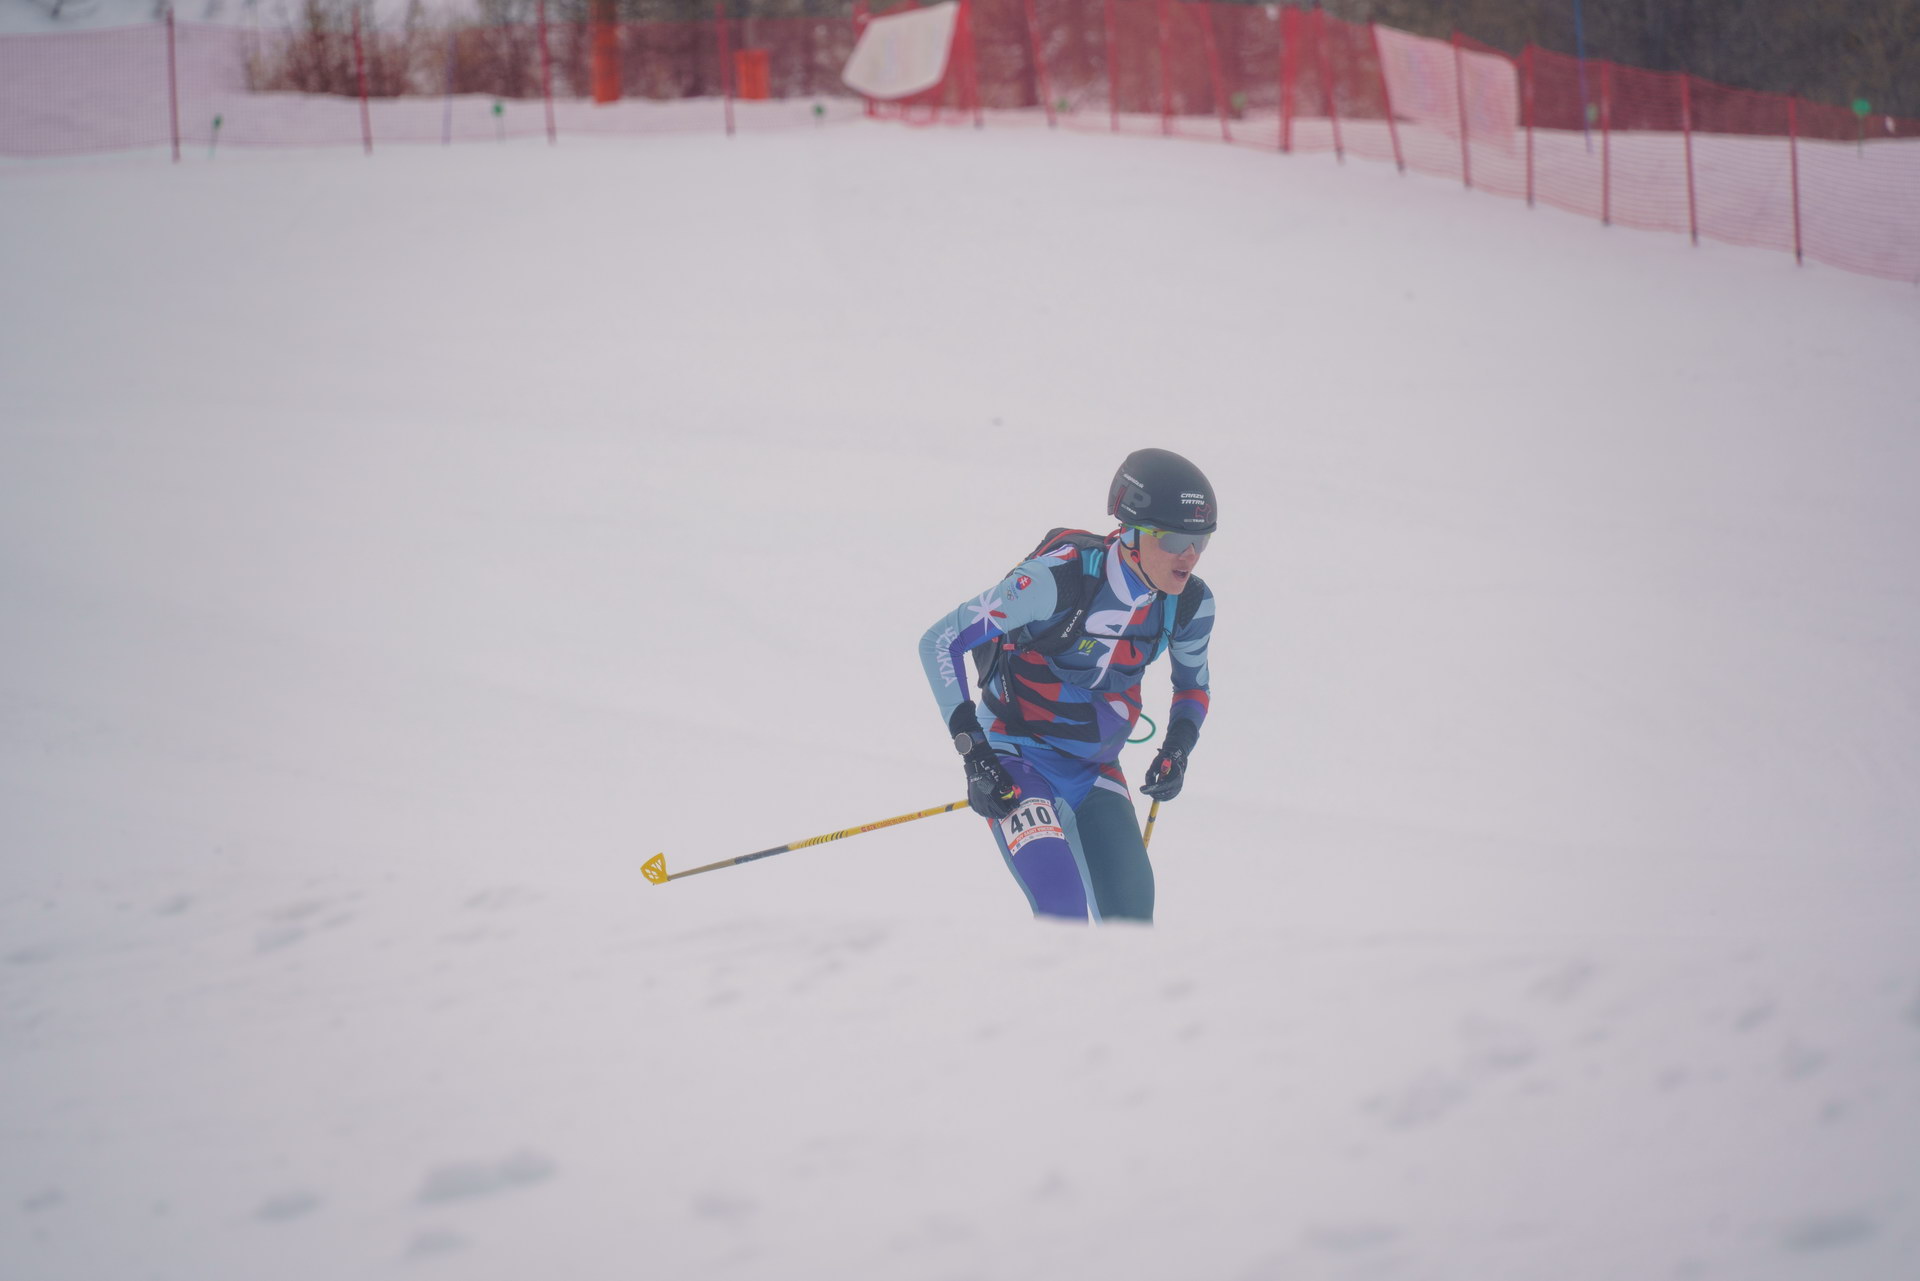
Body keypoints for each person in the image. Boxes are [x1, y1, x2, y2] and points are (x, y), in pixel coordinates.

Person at [916, 448, 1217, 923]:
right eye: (1176, 539)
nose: (1190, 556)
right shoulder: (1057, 579)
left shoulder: (1190, 605)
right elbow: (940, 641)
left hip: (1095, 770)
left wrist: (1177, 749)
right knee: (1063, 913)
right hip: (1014, 756)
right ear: (1132, 533)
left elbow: (1193, 688)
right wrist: (975, 755)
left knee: (1133, 927)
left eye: (1201, 540)